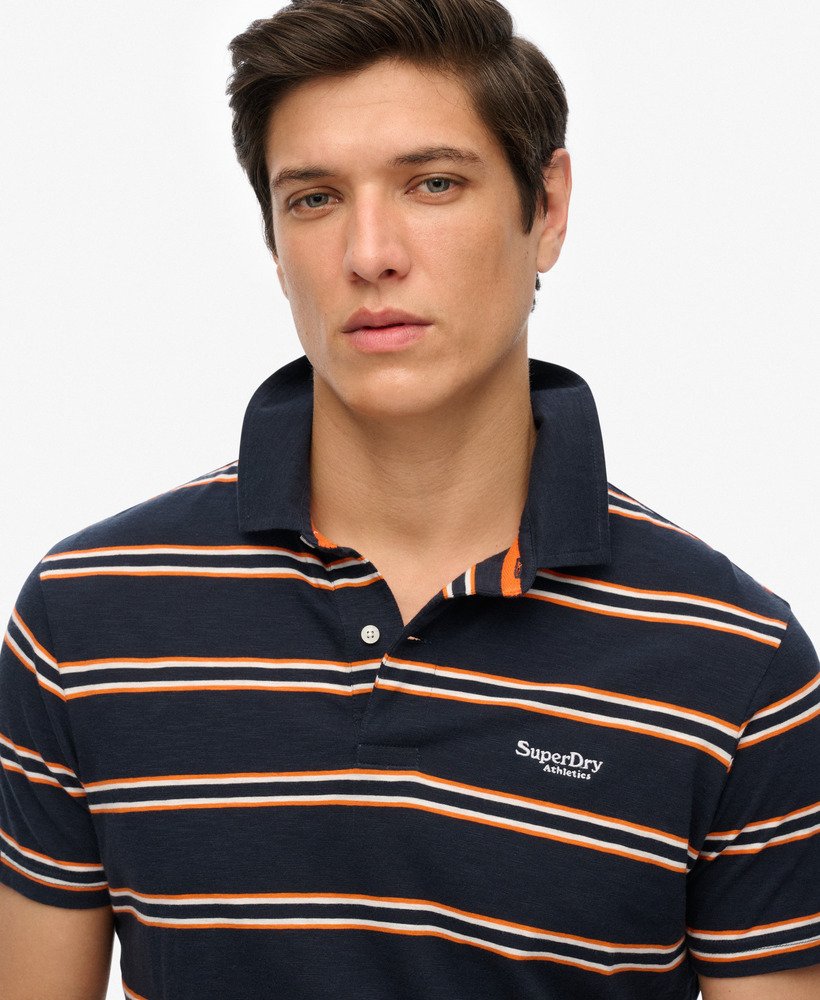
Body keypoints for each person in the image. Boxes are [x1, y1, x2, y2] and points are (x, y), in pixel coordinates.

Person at [1, 0, 818, 997]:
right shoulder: (87, 616)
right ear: (274, 240)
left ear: (547, 208)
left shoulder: (737, 666)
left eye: (433, 183)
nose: (370, 252)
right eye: (314, 198)